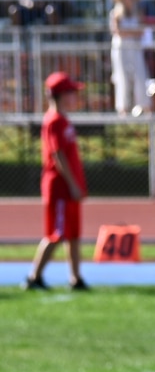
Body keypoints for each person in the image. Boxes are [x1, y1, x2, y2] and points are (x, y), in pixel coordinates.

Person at [26, 71, 88, 291]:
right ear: (61, 95)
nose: (75, 97)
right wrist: (72, 184)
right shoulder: (53, 121)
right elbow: (57, 154)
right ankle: (34, 277)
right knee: (56, 234)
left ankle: (75, 278)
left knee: (73, 235)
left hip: (69, 187)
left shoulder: (63, 119)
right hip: (60, 187)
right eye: (72, 92)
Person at [109, 0, 149, 114]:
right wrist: (133, 32)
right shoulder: (116, 13)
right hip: (121, 48)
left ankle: (143, 106)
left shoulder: (138, 13)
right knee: (122, 77)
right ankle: (123, 108)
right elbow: (118, 31)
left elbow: (142, 31)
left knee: (140, 75)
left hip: (135, 47)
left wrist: (129, 32)